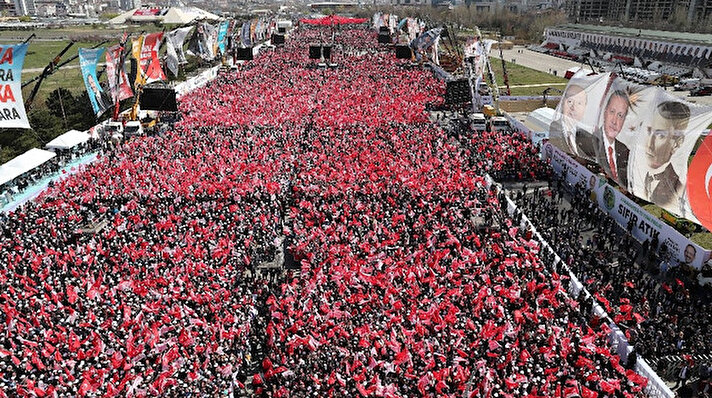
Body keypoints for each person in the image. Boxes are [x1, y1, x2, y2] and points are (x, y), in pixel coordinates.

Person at [632, 101, 690, 208]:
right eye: (649, 132)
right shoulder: (639, 171)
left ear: (676, 144)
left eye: (660, 135)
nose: (649, 144)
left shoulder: (677, 188)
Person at [595, 90, 631, 188]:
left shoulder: (624, 150)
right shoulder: (590, 141)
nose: (614, 121)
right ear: (605, 112)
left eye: (620, 115)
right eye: (612, 112)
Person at [549, 84, 588, 156]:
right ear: (562, 103)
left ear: (585, 108)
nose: (573, 108)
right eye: (570, 101)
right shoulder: (554, 128)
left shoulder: (586, 135)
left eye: (579, 103)